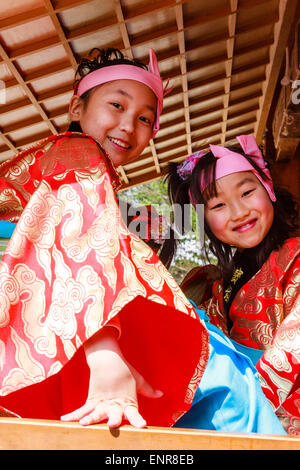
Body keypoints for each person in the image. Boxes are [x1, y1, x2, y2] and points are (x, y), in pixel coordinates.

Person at [0, 47, 210, 428]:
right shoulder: (78, 153)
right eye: (116, 104)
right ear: (76, 108)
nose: (129, 125)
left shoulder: (73, 162)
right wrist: (106, 354)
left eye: (145, 118)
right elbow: (79, 250)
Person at [166, 135, 300, 434]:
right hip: (237, 417)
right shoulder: (214, 285)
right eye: (218, 205)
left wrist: (254, 403)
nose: (239, 212)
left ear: (268, 189)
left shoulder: (295, 257)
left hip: (279, 414)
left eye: (247, 192)